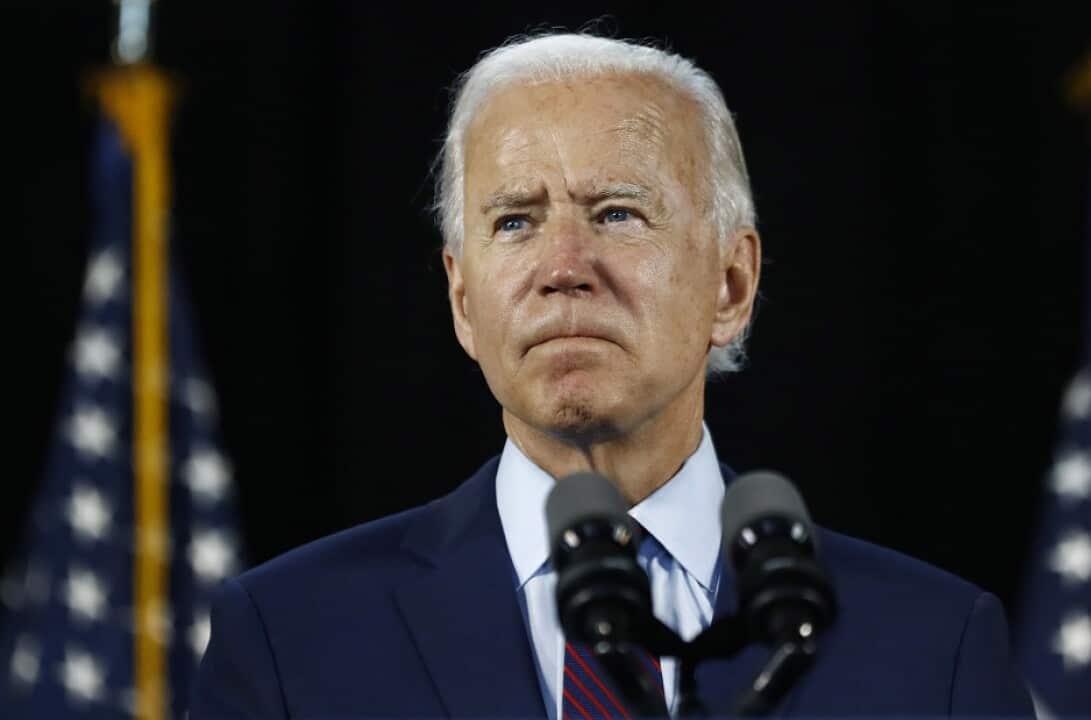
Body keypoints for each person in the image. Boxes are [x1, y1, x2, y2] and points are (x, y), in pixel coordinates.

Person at [193, 32, 1034, 718]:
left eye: (617, 214)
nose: (564, 267)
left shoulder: (932, 648)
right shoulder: (288, 637)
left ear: (731, 286)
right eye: (515, 220)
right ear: (462, 299)